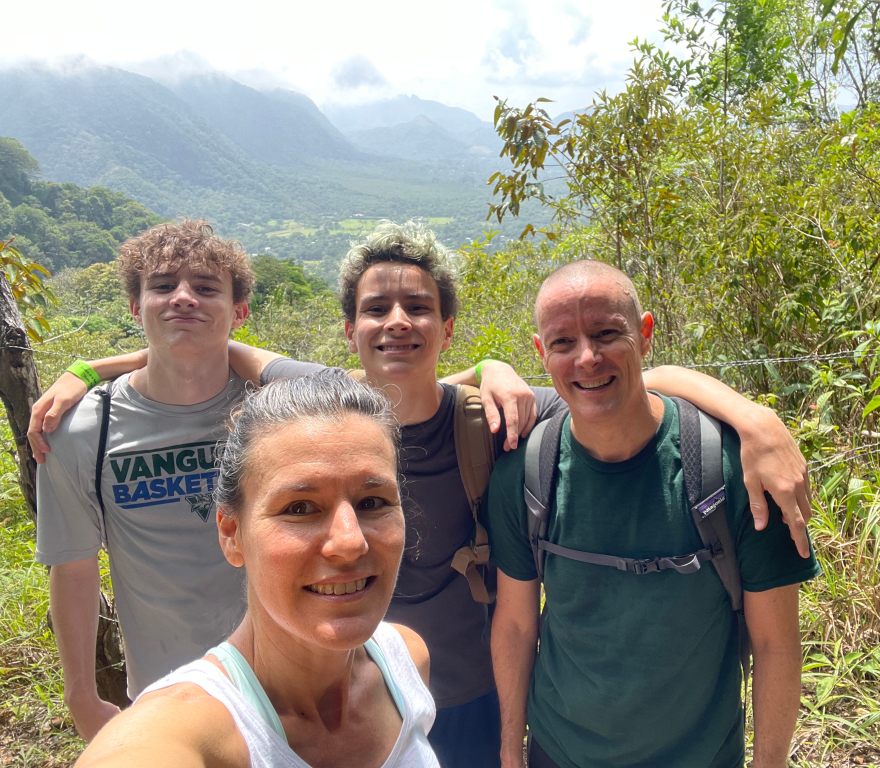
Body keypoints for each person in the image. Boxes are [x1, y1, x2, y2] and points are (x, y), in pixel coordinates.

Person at [30, 222, 812, 766]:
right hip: (296, 696)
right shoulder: (322, 408)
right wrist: (88, 369)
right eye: (376, 309)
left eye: (374, 500)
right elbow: (205, 339)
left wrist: (755, 419)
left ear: (447, 328)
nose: (397, 323)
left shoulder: (503, 421)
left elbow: (616, 382)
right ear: (348, 332)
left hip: (451, 697)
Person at [485, 260, 821, 768]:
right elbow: (515, 624)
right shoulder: (526, 471)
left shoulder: (734, 472)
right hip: (559, 750)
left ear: (645, 335)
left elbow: (777, 643)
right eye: (563, 343)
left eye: (606, 334)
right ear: (540, 354)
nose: (587, 358)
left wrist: (769, 762)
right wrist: (512, 751)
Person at [77, 369, 440, 767]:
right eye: (299, 508)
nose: (350, 542)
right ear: (232, 534)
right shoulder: (186, 732)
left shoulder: (405, 660)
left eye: (373, 502)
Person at [33, 220, 254, 741]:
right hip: (168, 691)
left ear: (239, 312)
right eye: (162, 286)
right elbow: (74, 568)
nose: (182, 298)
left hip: (288, 678)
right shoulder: (83, 429)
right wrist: (81, 695)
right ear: (136, 307)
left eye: (205, 287)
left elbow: (362, 392)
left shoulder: (269, 408)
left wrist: (486, 367)